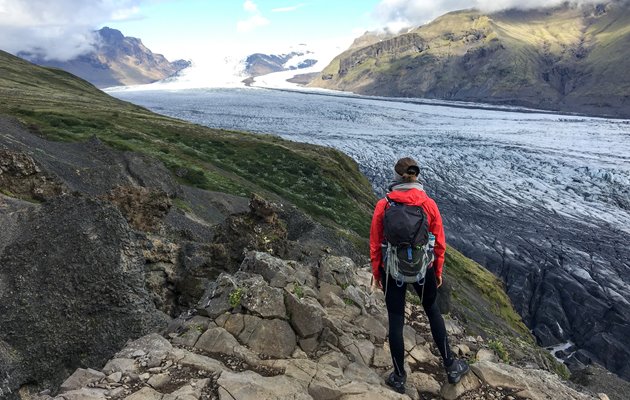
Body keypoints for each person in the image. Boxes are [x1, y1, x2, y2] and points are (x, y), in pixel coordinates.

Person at [370, 157, 469, 394]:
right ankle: (451, 365)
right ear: (417, 177)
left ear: (396, 177)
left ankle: (399, 376)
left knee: (396, 319)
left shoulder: (384, 205)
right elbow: (439, 243)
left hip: (393, 270)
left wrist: (378, 273)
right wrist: (438, 271)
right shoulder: (428, 204)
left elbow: (375, 243)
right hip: (423, 270)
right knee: (433, 312)